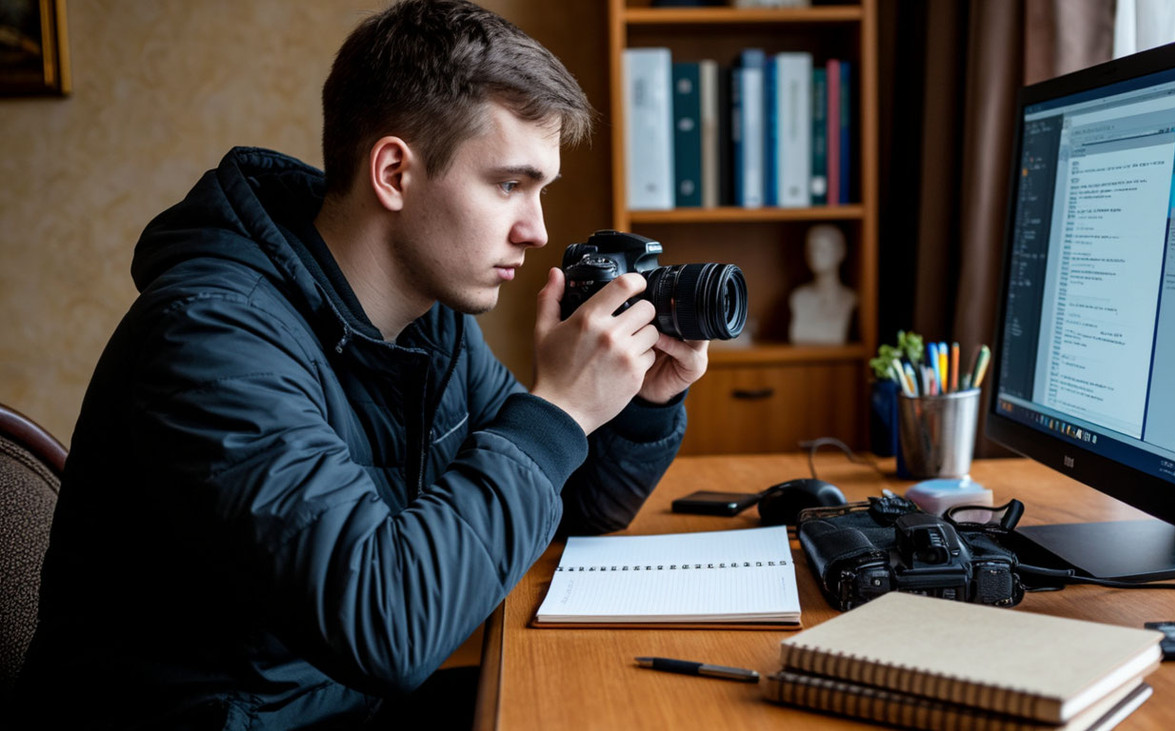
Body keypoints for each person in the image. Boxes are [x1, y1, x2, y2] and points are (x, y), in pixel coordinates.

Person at [16, 1, 708, 727]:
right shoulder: (211, 342)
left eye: (541, 191)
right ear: (393, 172)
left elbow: (571, 503)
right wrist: (557, 409)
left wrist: (640, 401)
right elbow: (389, 624)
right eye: (509, 184)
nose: (536, 230)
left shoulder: (430, 327)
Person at [788, 223, 857, 345]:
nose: (815, 254)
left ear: (840, 252)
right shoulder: (799, 297)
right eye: (812, 249)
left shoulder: (850, 299)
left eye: (823, 249)